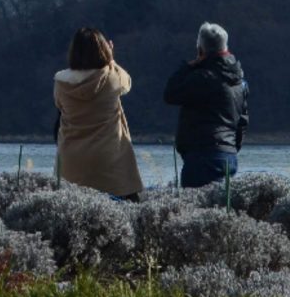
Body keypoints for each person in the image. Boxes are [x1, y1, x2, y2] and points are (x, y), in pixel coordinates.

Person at [53, 26, 144, 200]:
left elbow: (58, 105)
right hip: (109, 158)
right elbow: (128, 83)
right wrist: (111, 59)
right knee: (126, 210)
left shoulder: (61, 82)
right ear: (104, 49)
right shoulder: (112, 77)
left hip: (71, 159)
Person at [164, 21, 249, 188]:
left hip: (202, 155)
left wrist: (187, 66)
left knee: (195, 209)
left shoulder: (203, 78)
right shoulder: (240, 81)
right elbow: (243, 121)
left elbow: (170, 94)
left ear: (200, 50)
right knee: (221, 207)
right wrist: (231, 146)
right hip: (229, 155)